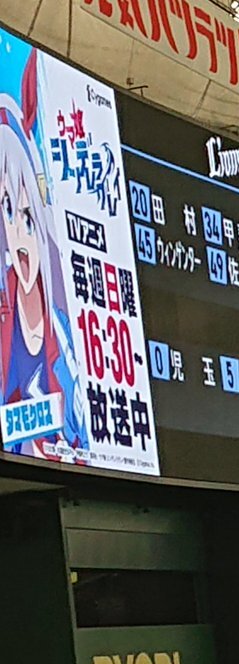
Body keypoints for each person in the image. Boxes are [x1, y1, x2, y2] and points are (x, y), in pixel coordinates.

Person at [0, 59, 86, 461]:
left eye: (26, 215)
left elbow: (83, 438)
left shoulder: (63, 331)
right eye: (7, 210)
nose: (19, 233)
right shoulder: (5, 319)